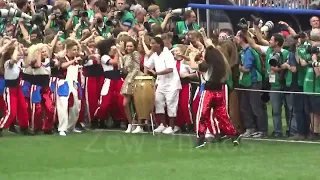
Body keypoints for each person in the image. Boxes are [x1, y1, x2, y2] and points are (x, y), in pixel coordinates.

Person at [187, 39, 242, 148]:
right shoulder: (221, 63)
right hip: (219, 92)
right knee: (222, 116)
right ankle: (234, 135)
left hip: (209, 91)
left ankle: (200, 138)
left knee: (202, 114)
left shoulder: (208, 64)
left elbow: (193, 66)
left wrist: (192, 56)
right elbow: (212, 49)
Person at [234, 30, 268, 137]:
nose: (235, 38)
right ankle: (250, 128)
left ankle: (262, 130)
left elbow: (246, 69)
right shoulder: (242, 51)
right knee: (244, 106)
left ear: (242, 38)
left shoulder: (249, 51)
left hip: (254, 81)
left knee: (256, 106)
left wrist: (238, 67)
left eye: (237, 36)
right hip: (244, 82)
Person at [144, 37, 181, 135]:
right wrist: (146, 75)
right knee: (158, 102)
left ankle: (171, 127)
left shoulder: (167, 54)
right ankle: (162, 125)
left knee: (171, 104)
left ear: (159, 44)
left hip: (172, 83)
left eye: (153, 43)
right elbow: (147, 65)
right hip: (161, 82)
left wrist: (157, 73)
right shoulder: (154, 55)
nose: (151, 45)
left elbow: (170, 69)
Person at [0, 39, 32, 136]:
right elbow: (13, 59)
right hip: (10, 89)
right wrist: (14, 48)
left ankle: (24, 127)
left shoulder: (19, 63)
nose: (19, 55)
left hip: (17, 88)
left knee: (23, 108)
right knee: (11, 112)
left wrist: (18, 47)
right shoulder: (8, 64)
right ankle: (1, 126)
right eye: (16, 54)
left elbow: (26, 61)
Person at [55, 39, 83, 136]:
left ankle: (71, 126)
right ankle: (62, 128)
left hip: (74, 83)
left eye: (76, 50)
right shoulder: (63, 58)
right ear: (68, 50)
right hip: (64, 83)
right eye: (74, 50)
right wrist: (73, 61)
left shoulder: (77, 59)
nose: (75, 52)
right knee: (63, 105)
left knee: (76, 106)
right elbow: (63, 66)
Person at [119, 38, 144, 133]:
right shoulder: (126, 56)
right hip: (129, 78)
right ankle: (131, 123)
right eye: (127, 46)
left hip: (137, 78)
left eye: (131, 46)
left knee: (138, 102)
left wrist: (130, 79)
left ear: (134, 47)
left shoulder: (136, 54)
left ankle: (139, 125)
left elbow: (137, 68)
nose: (129, 48)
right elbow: (125, 69)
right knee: (125, 103)